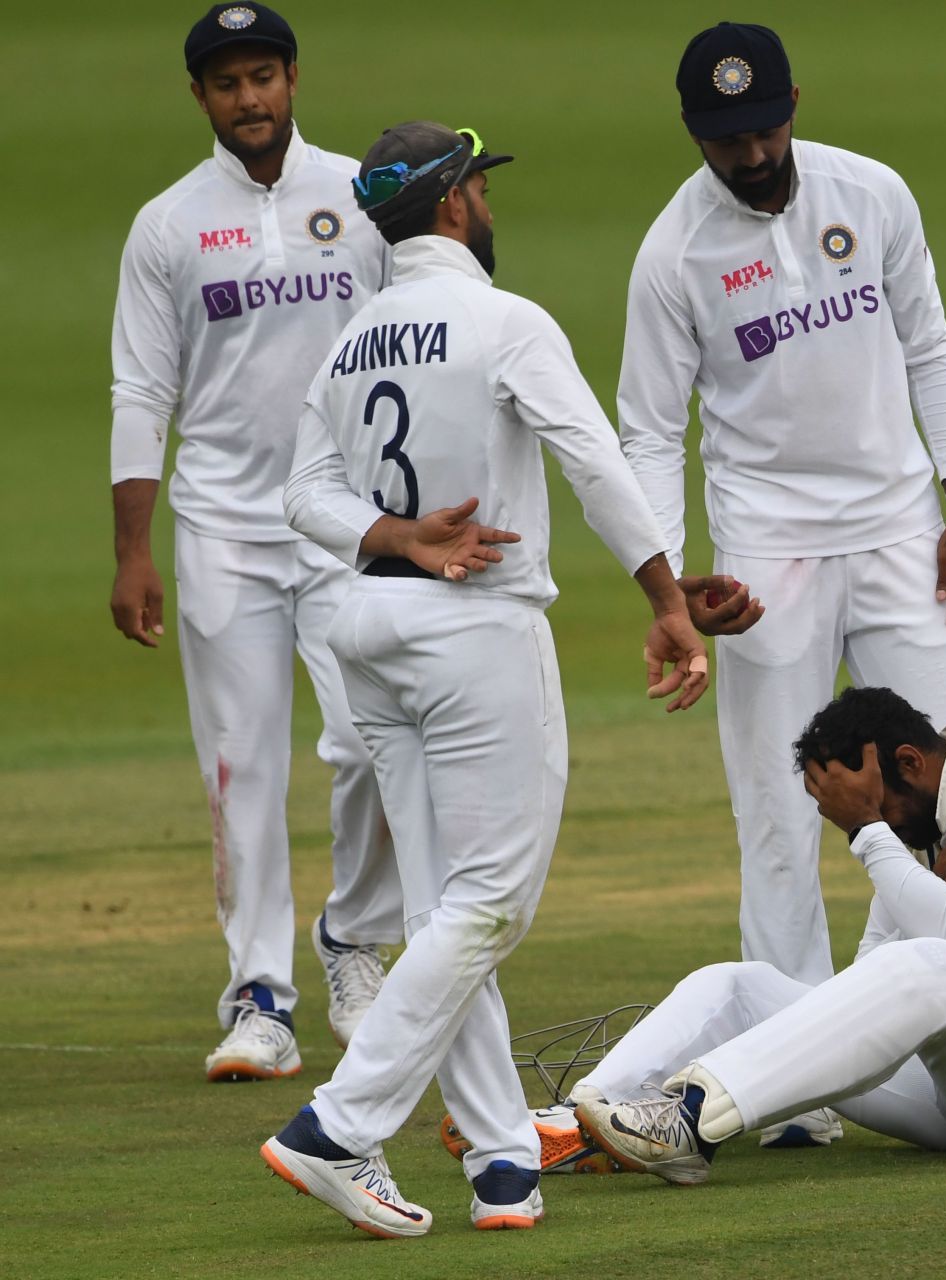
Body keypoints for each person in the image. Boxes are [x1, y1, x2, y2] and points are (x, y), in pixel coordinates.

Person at [261, 121, 709, 1237]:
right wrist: (667, 597)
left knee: (443, 904)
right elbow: (595, 459)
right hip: (475, 635)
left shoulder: (352, 337)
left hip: (368, 630)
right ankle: (336, 1124)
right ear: (455, 202)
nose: (489, 207)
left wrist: (393, 535)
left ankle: (503, 1164)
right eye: (482, 190)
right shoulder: (506, 320)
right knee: (490, 901)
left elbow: (301, 496)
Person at [619, 23, 946, 1037]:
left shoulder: (872, 194)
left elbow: (932, 345)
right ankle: (796, 1063)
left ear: (795, 105)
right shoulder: (675, 251)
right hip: (766, 554)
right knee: (780, 815)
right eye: (724, 139)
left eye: (763, 129)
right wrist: (676, 582)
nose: (749, 156)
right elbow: (648, 429)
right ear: (696, 133)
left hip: (900, 528)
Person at [497, 687, 946, 1180]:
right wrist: (896, 848)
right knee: (737, 984)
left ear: (911, 764)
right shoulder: (934, 821)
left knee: (938, 964)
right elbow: (866, 981)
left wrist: (870, 833)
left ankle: (688, 1117)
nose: (870, 825)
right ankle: (573, 1124)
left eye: (871, 803)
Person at [109, 2, 401, 1081]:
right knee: (241, 766)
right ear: (201, 98)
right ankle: (261, 1001)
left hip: (343, 519)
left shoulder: (358, 200)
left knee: (372, 737)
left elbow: (410, 340)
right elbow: (142, 390)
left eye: (264, 77)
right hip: (225, 526)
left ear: (291, 79)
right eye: (227, 84)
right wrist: (134, 549)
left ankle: (355, 940)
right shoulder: (169, 224)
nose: (250, 100)